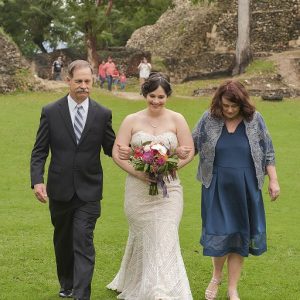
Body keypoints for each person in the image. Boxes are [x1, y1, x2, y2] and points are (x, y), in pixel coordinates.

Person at [30, 60, 115, 300]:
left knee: (83, 240)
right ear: (68, 80)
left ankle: (81, 294)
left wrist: (145, 152)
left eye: (88, 81)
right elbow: (39, 151)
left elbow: (112, 148)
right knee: (64, 241)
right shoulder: (50, 111)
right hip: (60, 190)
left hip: (89, 191)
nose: (84, 86)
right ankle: (66, 284)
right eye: (78, 81)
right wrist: (37, 180)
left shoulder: (102, 114)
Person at [107, 72, 194, 299]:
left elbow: (188, 150)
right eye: (152, 96)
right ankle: (137, 281)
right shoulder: (131, 120)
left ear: (167, 97)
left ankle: (160, 290)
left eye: (161, 97)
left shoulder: (177, 119)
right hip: (138, 190)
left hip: (169, 189)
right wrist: (138, 172)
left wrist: (173, 163)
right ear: (145, 94)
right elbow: (118, 152)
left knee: (165, 233)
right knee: (144, 235)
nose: (156, 101)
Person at [192, 80, 280, 300]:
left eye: (234, 106)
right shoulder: (209, 119)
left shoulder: (255, 120)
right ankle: (216, 276)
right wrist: (167, 158)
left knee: (240, 236)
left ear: (242, 103)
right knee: (219, 233)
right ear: (218, 103)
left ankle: (232, 288)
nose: (229, 110)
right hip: (216, 185)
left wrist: (274, 180)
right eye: (225, 106)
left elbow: (268, 151)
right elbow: (191, 145)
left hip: (246, 186)